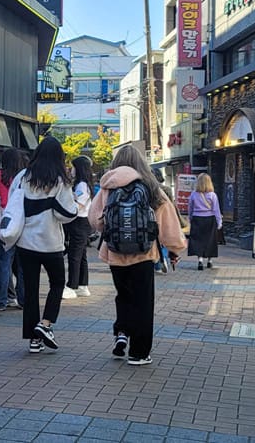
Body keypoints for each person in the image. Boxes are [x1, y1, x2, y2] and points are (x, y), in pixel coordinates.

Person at [89, 145, 187, 366]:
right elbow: (168, 223)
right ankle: (139, 353)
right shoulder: (151, 187)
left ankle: (122, 332)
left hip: (115, 253)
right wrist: (174, 248)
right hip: (144, 254)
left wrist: (111, 228)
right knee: (143, 302)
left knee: (123, 296)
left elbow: (94, 219)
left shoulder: (107, 186)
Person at [14, 136, 78, 353]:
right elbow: (68, 214)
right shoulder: (60, 180)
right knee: (58, 283)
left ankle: (34, 339)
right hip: (51, 243)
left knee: (31, 290)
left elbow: (13, 204)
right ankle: (45, 324)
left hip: (25, 242)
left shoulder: (23, 176)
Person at [0, 148, 27, 311]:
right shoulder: (25, 176)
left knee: (4, 262)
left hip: (5, 219)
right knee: (23, 265)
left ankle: (1, 300)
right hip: (23, 221)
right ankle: (23, 300)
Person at [62, 155, 93, 299]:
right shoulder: (84, 184)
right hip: (82, 222)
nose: (71, 169)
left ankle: (71, 286)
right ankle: (82, 285)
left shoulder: (82, 185)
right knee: (81, 256)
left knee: (75, 256)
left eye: (73, 167)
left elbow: (78, 206)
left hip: (79, 222)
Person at [187, 173, 222, 270]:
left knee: (199, 240)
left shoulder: (193, 194)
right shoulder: (213, 195)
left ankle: (200, 260)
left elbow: (190, 208)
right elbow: (216, 210)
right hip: (210, 219)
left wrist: (190, 218)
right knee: (210, 240)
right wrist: (219, 222)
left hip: (197, 219)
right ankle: (210, 261)